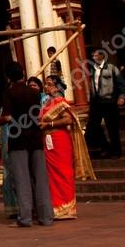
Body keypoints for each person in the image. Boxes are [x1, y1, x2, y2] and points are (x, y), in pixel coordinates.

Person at [1, 62, 53, 228]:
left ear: (9, 77)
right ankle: (46, 217)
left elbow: (7, 117)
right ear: (23, 74)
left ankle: (25, 217)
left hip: (18, 138)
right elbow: (37, 114)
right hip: (35, 137)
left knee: (22, 179)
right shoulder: (35, 93)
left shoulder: (9, 93)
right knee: (40, 178)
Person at [39, 76, 95, 219]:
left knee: (63, 172)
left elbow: (68, 119)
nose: (47, 87)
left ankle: (67, 208)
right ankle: (56, 207)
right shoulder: (46, 103)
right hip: (48, 140)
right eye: (46, 84)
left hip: (59, 139)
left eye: (50, 84)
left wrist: (49, 125)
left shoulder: (60, 101)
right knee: (51, 175)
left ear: (57, 87)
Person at [86, 49, 125, 158]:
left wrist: (122, 96)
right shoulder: (92, 69)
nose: (93, 57)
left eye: (95, 55)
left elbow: (121, 83)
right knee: (94, 125)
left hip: (110, 101)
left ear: (102, 56)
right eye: (93, 55)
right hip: (97, 102)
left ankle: (116, 151)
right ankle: (105, 147)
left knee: (112, 127)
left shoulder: (111, 68)